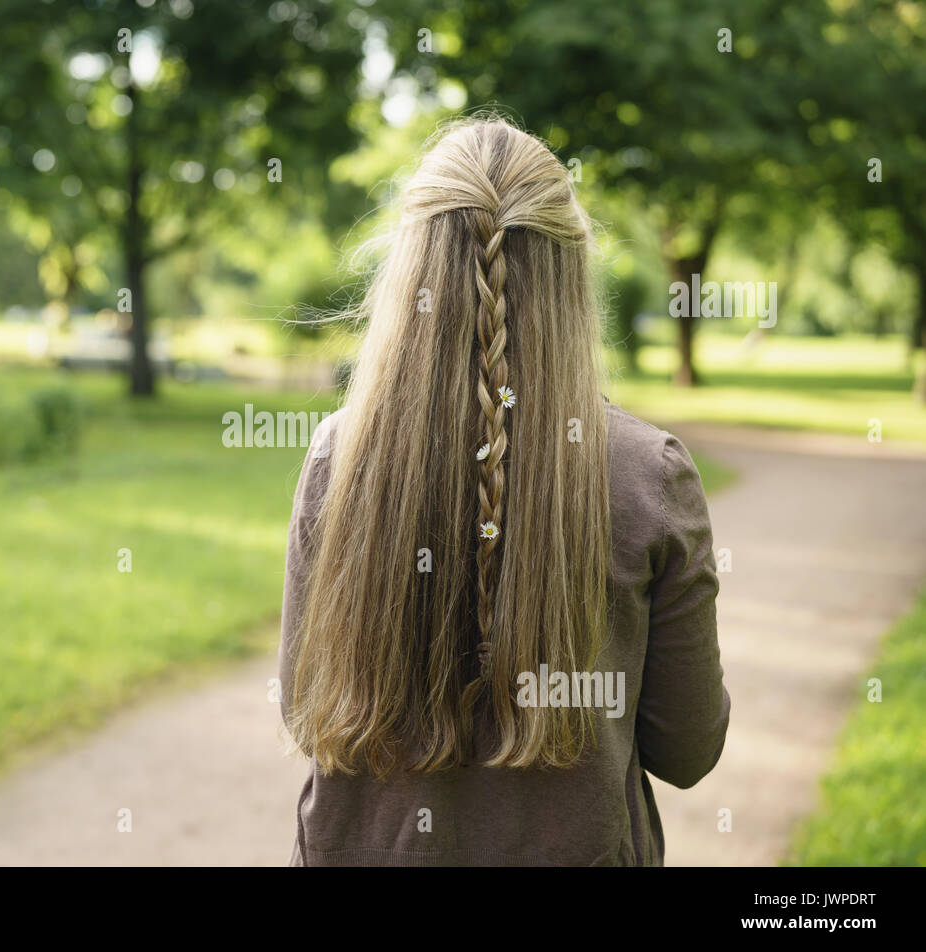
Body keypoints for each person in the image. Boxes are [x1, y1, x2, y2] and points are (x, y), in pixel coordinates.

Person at [278, 117, 729, 866]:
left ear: (409, 271)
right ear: (569, 274)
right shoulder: (649, 475)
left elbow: (304, 708)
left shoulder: (338, 455)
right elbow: (687, 747)